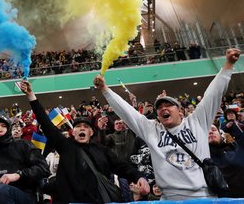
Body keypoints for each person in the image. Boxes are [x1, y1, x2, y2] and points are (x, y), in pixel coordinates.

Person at [94, 48, 241, 200]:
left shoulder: (197, 122)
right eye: (159, 107)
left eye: (168, 105)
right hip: (169, 199)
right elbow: (127, 112)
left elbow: (213, 93)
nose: (163, 108)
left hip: (204, 196)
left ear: (181, 111)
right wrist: (105, 90)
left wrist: (228, 65)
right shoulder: (152, 129)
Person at [19, 81, 149, 204]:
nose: (82, 128)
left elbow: (122, 167)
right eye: (78, 126)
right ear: (73, 132)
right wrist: (31, 96)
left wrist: (139, 177)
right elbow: (46, 123)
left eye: (86, 126)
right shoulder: (65, 146)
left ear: (91, 132)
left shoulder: (101, 150)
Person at [208, 124, 244, 198]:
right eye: (207, 131)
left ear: (221, 134)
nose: (210, 132)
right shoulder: (203, 155)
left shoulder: (236, 147)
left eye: (213, 130)